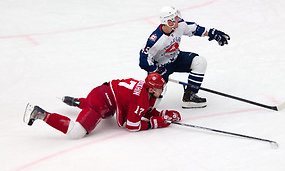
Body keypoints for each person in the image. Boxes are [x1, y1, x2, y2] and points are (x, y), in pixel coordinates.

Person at [23, 72, 181, 139]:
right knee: (76, 133)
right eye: (160, 88)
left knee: (93, 105)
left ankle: (78, 102)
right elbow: (132, 125)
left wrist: (160, 114)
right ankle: (40, 114)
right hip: (102, 102)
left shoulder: (145, 90)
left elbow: (143, 109)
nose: (162, 90)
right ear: (152, 89)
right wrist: (157, 123)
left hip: (102, 95)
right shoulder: (141, 98)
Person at [139, 6, 230, 109]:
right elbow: (143, 60)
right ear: (169, 22)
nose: (179, 19)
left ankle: (189, 97)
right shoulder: (156, 39)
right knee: (152, 104)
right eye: (175, 18)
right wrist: (156, 70)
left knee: (199, 62)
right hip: (161, 67)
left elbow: (195, 29)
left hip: (176, 58)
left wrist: (213, 34)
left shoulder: (180, 25)